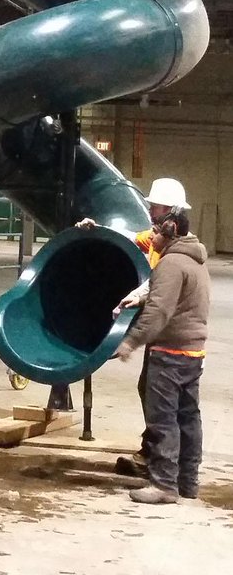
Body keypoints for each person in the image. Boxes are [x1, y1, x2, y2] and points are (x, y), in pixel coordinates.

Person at [76, 176, 192, 471]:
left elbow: (161, 291)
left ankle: (162, 462)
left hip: (172, 334)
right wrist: (97, 229)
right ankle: (168, 458)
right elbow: (128, 237)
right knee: (159, 393)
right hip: (167, 333)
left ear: (172, 213)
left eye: (156, 207)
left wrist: (131, 338)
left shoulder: (177, 250)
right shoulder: (157, 238)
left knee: (160, 394)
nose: (151, 212)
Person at [115, 208, 210, 504]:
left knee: (163, 419)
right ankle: (187, 483)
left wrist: (131, 342)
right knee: (187, 417)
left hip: (169, 352)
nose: (152, 236)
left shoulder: (170, 263)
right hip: (192, 351)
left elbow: (160, 310)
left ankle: (164, 484)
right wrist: (139, 297)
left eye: (155, 231)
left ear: (169, 231)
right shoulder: (194, 259)